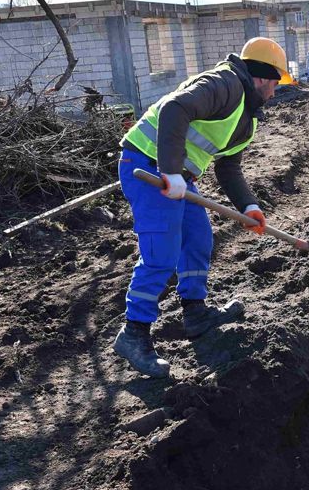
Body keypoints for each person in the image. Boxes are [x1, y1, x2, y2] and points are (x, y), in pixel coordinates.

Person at [112, 37, 293, 378]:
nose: (275, 92)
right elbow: (174, 109)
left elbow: (228, 168)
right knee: (161, 254)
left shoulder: (247, 120)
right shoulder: (223, 83)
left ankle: (195, 312)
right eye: (276, 83)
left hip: (178, 176)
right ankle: (133, 333)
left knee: (198, 241)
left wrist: (250, 206)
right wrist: (168, 169)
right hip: (148, 166)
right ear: (263, 77)